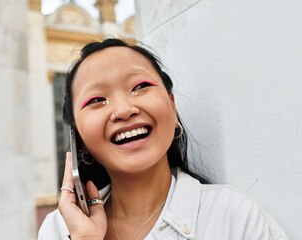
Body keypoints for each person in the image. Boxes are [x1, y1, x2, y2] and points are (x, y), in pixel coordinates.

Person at [38, 38, 288, 240]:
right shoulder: (59, 230)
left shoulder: (235, 216)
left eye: (140, 86)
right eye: (96, 100)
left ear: (171, 106)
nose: (124, 109)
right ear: (78, 139)